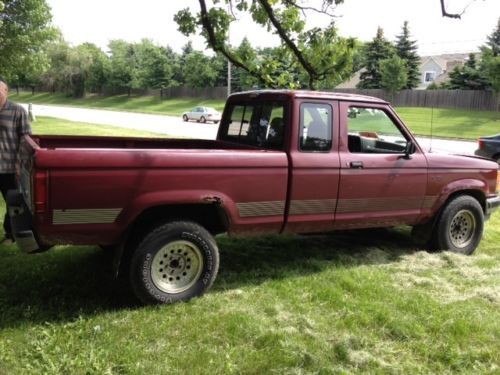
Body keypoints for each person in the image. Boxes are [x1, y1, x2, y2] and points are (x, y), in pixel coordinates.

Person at [0, 76, 32, 243]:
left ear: (6, 91)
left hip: (9, 168)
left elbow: (25, 139)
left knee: (13, 203)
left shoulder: (18, 110)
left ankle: (10, 234)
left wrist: (20, 165)